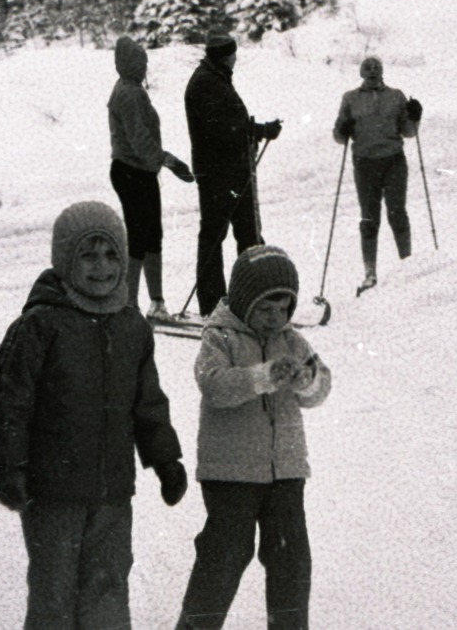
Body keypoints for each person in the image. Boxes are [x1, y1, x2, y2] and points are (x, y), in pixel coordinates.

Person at [0, 201, 189, 630]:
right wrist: (10, 467)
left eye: (112, 254)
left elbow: (147, 403)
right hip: (52, 493)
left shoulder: (132, 326)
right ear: (64, 260)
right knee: (54, 594)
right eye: (88, 255)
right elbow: (11, 403)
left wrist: (166, 459)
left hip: (113, 493)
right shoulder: (40, 325)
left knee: (108, 586)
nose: (102, 267)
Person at [174, 246, 332, 630]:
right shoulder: (220, 337)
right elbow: (213, 387)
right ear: (244, 303)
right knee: (225, 555)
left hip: (286, 471)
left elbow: (321, 385)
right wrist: (262, 377)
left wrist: (306, 380)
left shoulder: (292, 341)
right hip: (231, 473)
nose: (275, 318)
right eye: (266, 309)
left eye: (284, 309)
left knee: (290, 558)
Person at [183, 32, 281, 317]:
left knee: (248, 232)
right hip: (218, 174)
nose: (235, 58)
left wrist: (257, 129)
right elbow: (222, 129)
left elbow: (231, 124)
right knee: (215, 234)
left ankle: (252, 296)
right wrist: (258, 131)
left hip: (234, 171)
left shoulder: (216, 78)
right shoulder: (205, 83)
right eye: (232, 53)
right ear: (225, 55)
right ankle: (213, 303)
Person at [108, 35, 195, 318]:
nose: (145, 67)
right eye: (140, 62)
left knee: (150, 236)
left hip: (139, 171)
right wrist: (168, 160)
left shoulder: (128, 88)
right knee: (141, 237)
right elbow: (139, 140)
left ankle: (154, 301)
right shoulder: (129, 94)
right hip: (132, 171)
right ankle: (132, 303)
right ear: (129, 64)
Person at [331, 56, 421, 294]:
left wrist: (415, 116)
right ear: (361, 73)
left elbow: (409, 132)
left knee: (397, 213)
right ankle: (370, 274)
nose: (372, 72)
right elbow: (339, 136)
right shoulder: (350, 99)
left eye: (376, 69)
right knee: (369, 219)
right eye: (367, 69)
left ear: (382, 72)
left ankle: (407, 265)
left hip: (393, 161)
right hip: (365, 163)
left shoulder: (396, 96)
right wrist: (343, 128)